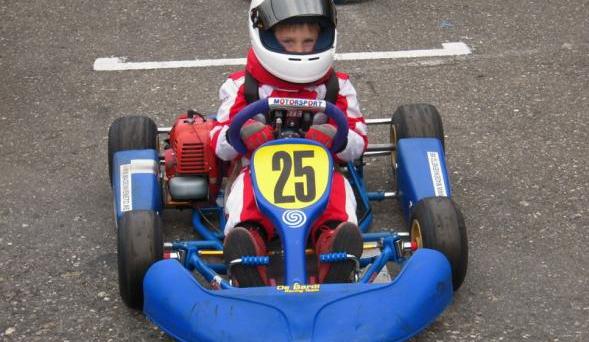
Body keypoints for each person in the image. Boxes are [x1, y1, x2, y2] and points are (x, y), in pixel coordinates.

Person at [210, 0, 367, 287]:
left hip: (321, 171)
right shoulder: (241, 86)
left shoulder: (337, 87)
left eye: (308, 41)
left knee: (339, 193)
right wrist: (243, 134)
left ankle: (334, 244)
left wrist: (336, 137)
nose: (299, 49)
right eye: (288, 41)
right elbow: (219, 143)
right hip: (256, 173)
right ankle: (248, 248)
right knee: (245, 197)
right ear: (265, 35)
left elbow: (358, 141)